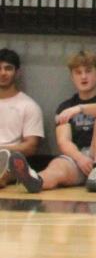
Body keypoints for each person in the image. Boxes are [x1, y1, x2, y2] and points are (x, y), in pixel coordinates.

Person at [42, 48, 96, 193]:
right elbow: (64, 141)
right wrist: (80, 158)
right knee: (57, 166)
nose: (83, 77)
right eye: (78, 72)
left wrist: (80, 109)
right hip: (81, 160)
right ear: (72, 77)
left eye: (88, 71)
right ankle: (35, 180)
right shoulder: (65, 106)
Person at [0, 48, 46, 194]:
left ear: (17, 72)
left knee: (11, 164)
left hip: (10, 161)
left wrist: (3, 150)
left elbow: (31, 147)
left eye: (8, 68)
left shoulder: (29, 106)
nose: (3, 73)